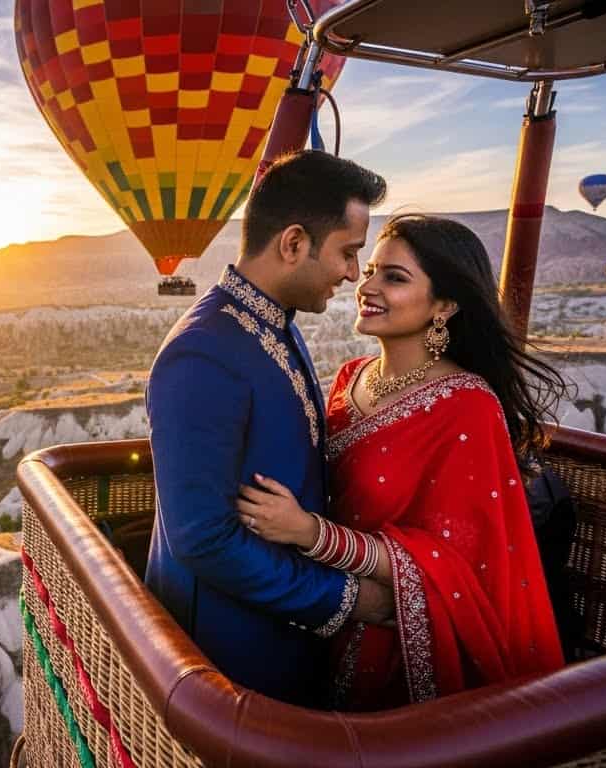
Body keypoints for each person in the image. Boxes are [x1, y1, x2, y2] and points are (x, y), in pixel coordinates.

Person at [237, 214, 567, 709]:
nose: (366, 286)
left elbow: (454, 562)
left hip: (407, 642)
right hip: (327, 614)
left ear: (446, 304)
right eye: (369, 269)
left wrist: (310, 534)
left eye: (394, 277)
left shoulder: (466, 405)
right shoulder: (352, 378)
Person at [145, 151, 395, 706]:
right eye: (348, 252)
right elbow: (203, 538)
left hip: (281, 629)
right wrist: (352, 599)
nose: (354, 273)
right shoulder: (202, 353)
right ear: (293, 243)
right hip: (227, 657)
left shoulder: (272, 322)